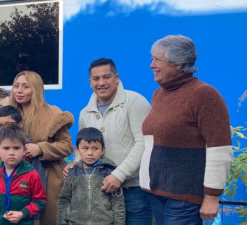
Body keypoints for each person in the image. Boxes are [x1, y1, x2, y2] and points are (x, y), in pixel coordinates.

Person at [140, 35, 233, 225]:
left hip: (184, 199)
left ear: (178, 64)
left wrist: (212, 196)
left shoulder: (204, 95)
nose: (151, 65)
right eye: (152, 59)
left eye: (158, 59)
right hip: (157, 193)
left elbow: (219, 149)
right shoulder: (159, 94)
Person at [71, 58, 152, 224]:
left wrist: (118, 175)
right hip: (100, 191)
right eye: (96, 79)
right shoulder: (85, 113)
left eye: (106, 77)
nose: (101, 83)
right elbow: (83, 148)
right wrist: (76, 164)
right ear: (90, 82)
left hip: (133, 190)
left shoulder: (135, 102)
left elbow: (144, 143)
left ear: (117, 78)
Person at [10, 71, 74, 225]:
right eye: (16, 86)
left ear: (36, 89)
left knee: (49, 219)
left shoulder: (53, 114)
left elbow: (67, 146)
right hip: (16, 176)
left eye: (25, 87)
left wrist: (41, 148)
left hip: (48, 176)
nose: (19, 90)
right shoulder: (9, 113)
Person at [57, 127, 125, 225]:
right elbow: (64, 200)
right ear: (77, 150)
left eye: (95, 148)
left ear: (103, 150)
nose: (90, 153)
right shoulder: (72, 173)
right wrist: (62, 223)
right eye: (85, 148)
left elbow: (118, 204)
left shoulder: (110, 173)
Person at [0, 124, 46, 225]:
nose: (11, 152)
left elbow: (40, 201)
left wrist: (22, 213)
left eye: (16, 148)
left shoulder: (31, 174)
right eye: (6, 148)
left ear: (24, 150)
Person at [0, 106, 46, 192]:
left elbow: (39, 187)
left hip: (25, 203)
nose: (5, 128)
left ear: (20, 125)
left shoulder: (29, 149)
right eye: (0, 126)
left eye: (9, 124)